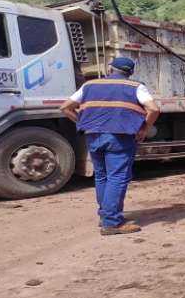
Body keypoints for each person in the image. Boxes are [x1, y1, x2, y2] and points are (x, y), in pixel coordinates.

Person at [60, 57, 160, 235]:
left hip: (93, 136)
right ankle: (112, 223)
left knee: (101, 177)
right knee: (117, 177)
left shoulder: (89, 85)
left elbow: (65, 107)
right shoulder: (135, 86)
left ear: (110, 69)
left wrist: (83, 123)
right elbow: (153, 109)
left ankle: (105, 216)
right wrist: (144, 129)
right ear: (130, 72)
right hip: (120, 137)